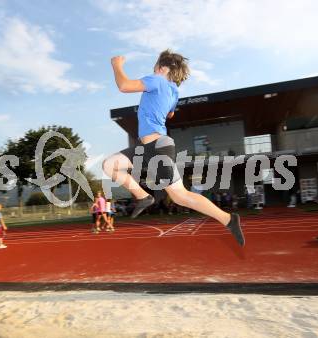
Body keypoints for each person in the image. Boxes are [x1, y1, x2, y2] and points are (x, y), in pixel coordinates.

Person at [102, 50, 245, 246]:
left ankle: (228, 219)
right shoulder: (173, 91)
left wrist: (116, 65)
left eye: (155, 68)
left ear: (162, 68)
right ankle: (143, 197)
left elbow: (124, 85)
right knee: (110, 165)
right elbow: (170, 115)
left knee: (180, 196)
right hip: (147, 148)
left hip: (157, 147)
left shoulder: (157, 80)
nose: (153, 70)